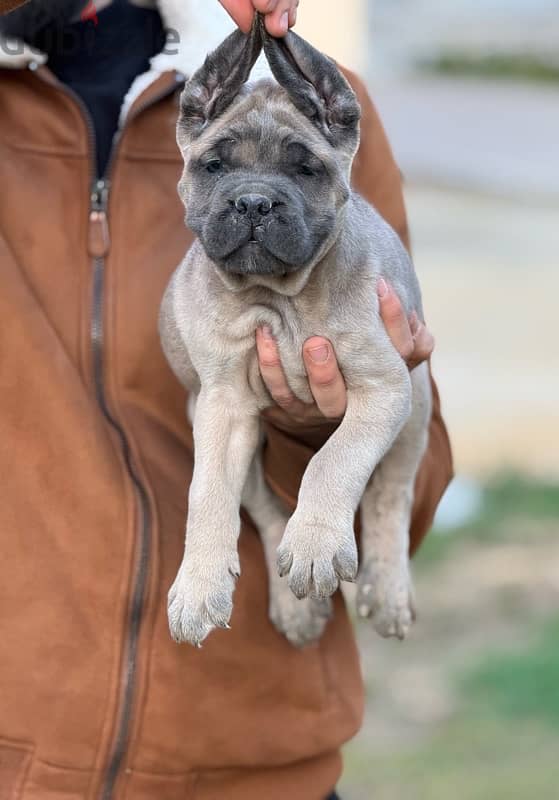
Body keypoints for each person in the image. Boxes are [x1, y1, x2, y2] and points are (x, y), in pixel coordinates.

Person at [0, 1, 453, 798]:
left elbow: (414, 456)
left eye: (300, 171)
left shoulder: (325, 99)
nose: (253, 201)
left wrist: (309, 437)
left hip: (254, 755)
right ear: (192, 149)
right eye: (218, 171)